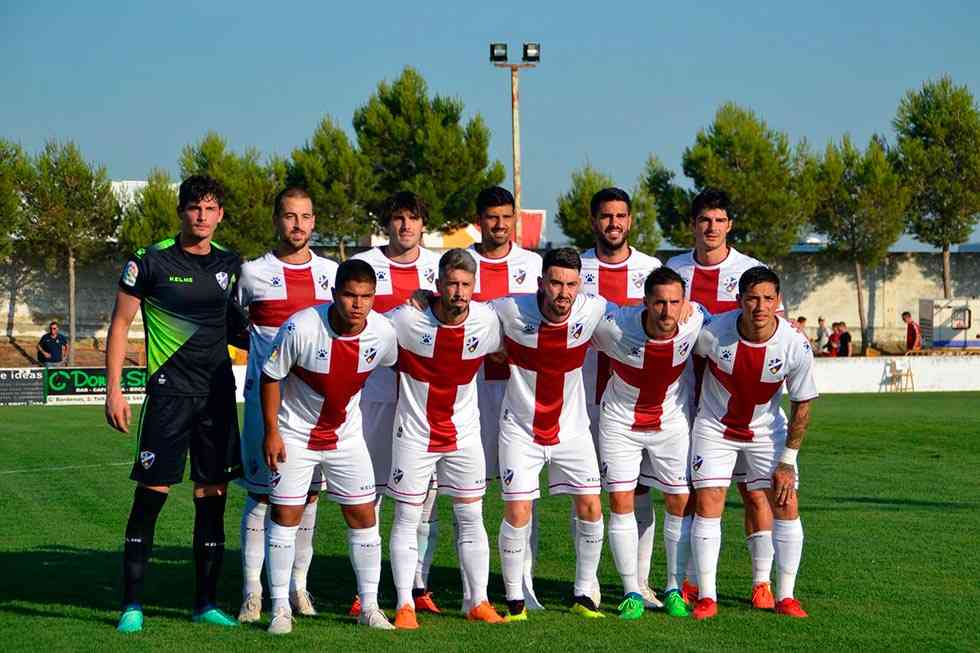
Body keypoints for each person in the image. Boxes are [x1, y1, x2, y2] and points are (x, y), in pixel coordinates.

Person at [105, 175, 249, 633]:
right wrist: (114, 390)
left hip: (218, 398)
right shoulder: (150, 261)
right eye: (194, 208)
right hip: (168, 396)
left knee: (213, 498)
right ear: (181, 212)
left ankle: (204, 603)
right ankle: (132, 604)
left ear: (220, 214)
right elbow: (120, 323)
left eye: (210, 209)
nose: (201, 216)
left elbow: (241, 326)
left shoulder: (231, 263)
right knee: (152, 496)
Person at [260, 259, 398, 634]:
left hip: (346, 439)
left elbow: (398, 367)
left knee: (364, 517)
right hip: (295, 436)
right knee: (286, 518)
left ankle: (369, 607)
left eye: (366, 297)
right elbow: (271, 376)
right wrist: (271, 431)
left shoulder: (383, 334)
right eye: (350, 295)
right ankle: (279, 609)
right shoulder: (301, 327)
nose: (358, 304)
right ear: (335, 294)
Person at [665, 188, 780, 609]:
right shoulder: (674, 269)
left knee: (756, 493)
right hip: (691, 397)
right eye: (704, 220)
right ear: (693, 225)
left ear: (729, 225)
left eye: (719, 220)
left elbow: (773, 335)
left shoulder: (751, 270)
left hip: (746, 401)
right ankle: (694, 581)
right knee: (697, 490)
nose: (711, 228)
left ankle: (761, 582)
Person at [688, 266, 817, 620]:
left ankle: (784, 595)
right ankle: (707, 595)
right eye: (752, 299)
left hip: (766, 431)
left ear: (779, 302)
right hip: (715, 427)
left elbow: (802, 403)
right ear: (739, 300)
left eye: (768, 299)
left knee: (784, 502)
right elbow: (687, 362)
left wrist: (788, 461)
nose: (760, 306)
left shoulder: (795, 344)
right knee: (710, 499)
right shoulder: (713, 333)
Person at [235, 187, 338, 623]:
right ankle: (252, 592)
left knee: (308, 499)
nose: (298, 225)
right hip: (267, 405)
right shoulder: (252, 273)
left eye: (306, 217)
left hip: (314, 406)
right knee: (262, 498)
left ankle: (299, 588)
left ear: (315, 221)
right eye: (290, 216)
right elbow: (235, 322)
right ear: (276, 219)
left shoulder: (333, 274)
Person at [386, 249, 504, 629]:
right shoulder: (407, 318)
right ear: (437, 285)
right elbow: (365, 333)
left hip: (465, 433)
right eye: (451, 283)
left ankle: (478, 600)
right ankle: (405, 603)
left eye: (466, 285)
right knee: (407, 516)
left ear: (475, 288)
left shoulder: (487, 320)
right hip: (415, 433)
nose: (458, 292)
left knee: (470, 515)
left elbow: (516, 335)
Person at [493, 247, 608, 622]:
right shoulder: (509, 310)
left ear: (581, 286)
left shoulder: (593, 309)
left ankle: (584, 593)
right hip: (521, 430)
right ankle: (514, 601)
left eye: (571, 284)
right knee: (518, 510)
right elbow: (465, 315)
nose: (563, 292)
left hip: (572, 430)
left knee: (591, 507)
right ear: (541, 283)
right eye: (556, 283)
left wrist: (689, 308)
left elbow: (636, 319)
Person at [591, 267, 704, 620]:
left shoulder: (693, 319)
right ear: (645, 302)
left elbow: (733, 322)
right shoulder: (613, 327)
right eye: (659, 303)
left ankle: (672, 587)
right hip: (620, 422)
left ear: (684, 302)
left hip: (670, 421)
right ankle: (632, 592)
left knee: (679, 499)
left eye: (674, 302)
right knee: (621, 500)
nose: (667, 311)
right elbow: (569, 321)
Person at [351, 192, 442, 615]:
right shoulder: (366, 263)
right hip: (376, 393)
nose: (405, 226)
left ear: (424, 224)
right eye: (398, 218)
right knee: (370, 491)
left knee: (425, 495)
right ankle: (364, 590)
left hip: (425, 397)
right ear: (386, 223)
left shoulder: (439, 268)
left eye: (413, 218)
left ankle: (418, 584)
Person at [579, 187, 662, 609]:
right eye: (606, 217)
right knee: (588, 491)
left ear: (630, 221)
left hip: (636, 400)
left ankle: (642, 582)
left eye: (621, 216)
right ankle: (588, 582)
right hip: (583, 398)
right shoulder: (576, 267)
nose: (614, 223)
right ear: (594, 221)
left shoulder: (651, 268)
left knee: (640, 490)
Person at [465, 186, 543, 609]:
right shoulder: (462, 263)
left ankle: (523, 584)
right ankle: (467, 589)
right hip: (469, 393)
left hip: (520, 393)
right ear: (479, 219)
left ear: (515, 219)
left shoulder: (534, 265)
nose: (499, 224)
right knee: (467, 493)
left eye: (506, 217)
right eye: (491, 217)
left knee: (522, 495)